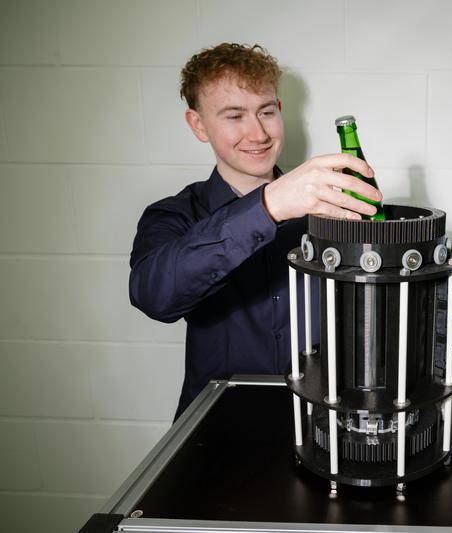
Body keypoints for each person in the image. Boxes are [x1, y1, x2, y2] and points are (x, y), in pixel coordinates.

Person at [129, 43, 381, 419]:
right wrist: (268, 207)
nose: (258, 133)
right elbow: (153, 296)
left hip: (326, 425)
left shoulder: (333, 207)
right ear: (198, 124)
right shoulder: (174, 214)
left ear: (279, 111)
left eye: (266, 111)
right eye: (234, 116)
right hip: (221, 430)